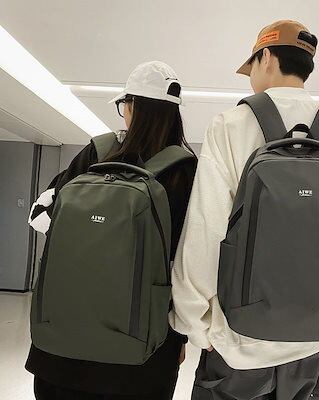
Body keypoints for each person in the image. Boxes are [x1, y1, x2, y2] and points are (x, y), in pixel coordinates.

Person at [169, 20, 319, 400]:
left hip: (237, 341)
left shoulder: (231, 125)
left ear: (266, 57)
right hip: (315, 343)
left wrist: (196, 322)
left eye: (251, 66)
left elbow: (207, 228)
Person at [26, 61, 197, 400]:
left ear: (131, 106)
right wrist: (182, 335)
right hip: (142, 351)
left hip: (61, 345)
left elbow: (39, 217)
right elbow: (187, 264)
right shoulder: (187, 170)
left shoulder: (96, 153)